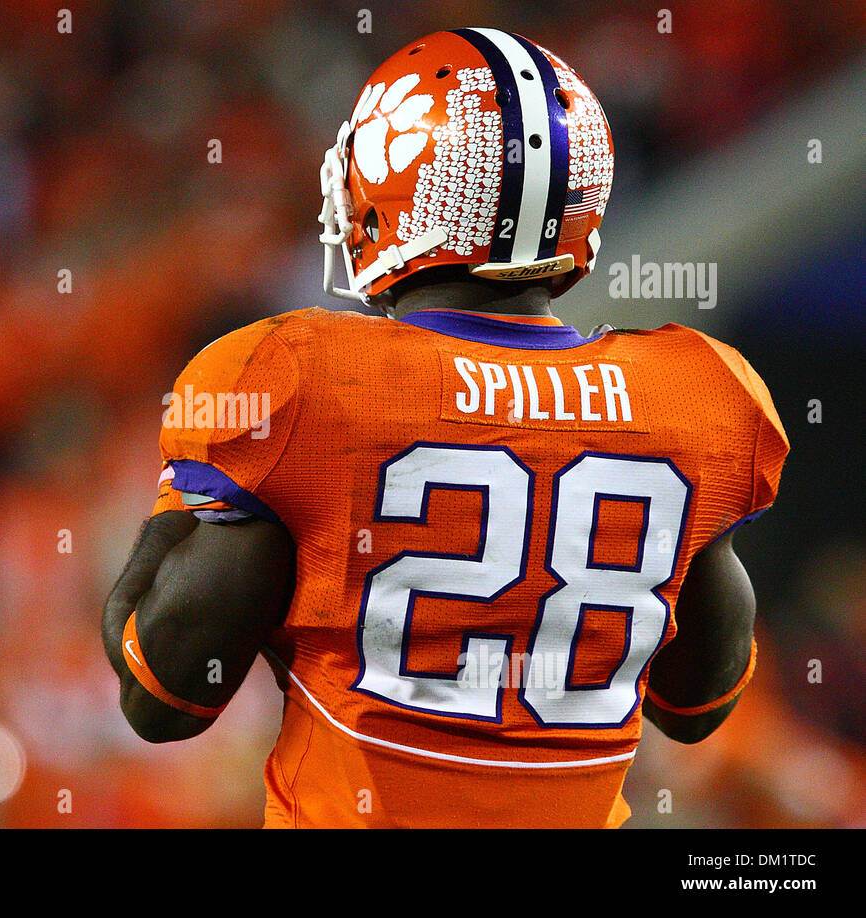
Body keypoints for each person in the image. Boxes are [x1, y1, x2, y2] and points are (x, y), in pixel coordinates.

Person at [102, 28, 788, 828]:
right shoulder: (699, 396)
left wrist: (188, 511)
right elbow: (699, 705)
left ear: (391, 189)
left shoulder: (300, 381)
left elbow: (164, 699)